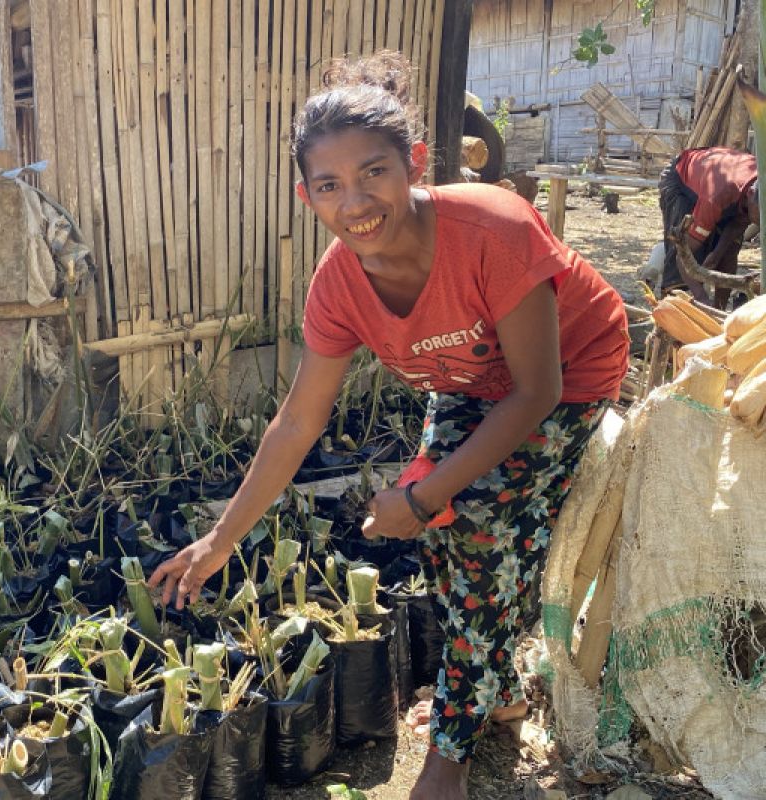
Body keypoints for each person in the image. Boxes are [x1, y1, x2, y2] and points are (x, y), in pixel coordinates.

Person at [148, 52, 629, 799]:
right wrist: (221, 538)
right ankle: (496, 691)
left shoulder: (488, 230)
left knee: (480, 535)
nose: (356, 201)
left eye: (374, 172)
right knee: (438, 530)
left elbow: (535, 392)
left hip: (567, 372)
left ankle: (451, 754)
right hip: (472, 378)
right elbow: (299, 420)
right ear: (308, 198)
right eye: (330, 185)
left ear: (416, 164)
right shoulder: (337, 287)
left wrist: (427, 494)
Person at [658, 146, 758, 307]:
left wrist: (717, 253)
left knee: (729, 251)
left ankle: (719, 309)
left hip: (722, 180)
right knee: (688, 246)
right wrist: (701, 297)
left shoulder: (757, 188)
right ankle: (673, 308)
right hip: (682, 181)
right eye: (760, 217)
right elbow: (683, 254)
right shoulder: (716, 198)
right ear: (751, 197)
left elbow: (738, 224)